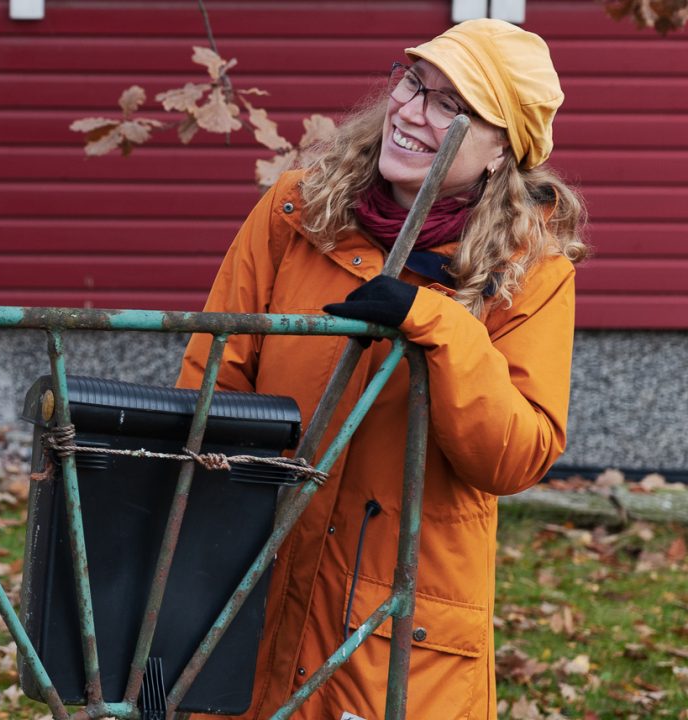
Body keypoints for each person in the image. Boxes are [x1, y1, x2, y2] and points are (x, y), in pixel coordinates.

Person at [180, 19, 585, 720]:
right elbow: (211, 384)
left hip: (401, 625)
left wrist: (441, 327)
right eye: (413, 83)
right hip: (256, 587)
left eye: (450, 106)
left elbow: (517, 456)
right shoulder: (295, 213)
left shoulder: (529, 272)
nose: (410, 110)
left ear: (500, 152)